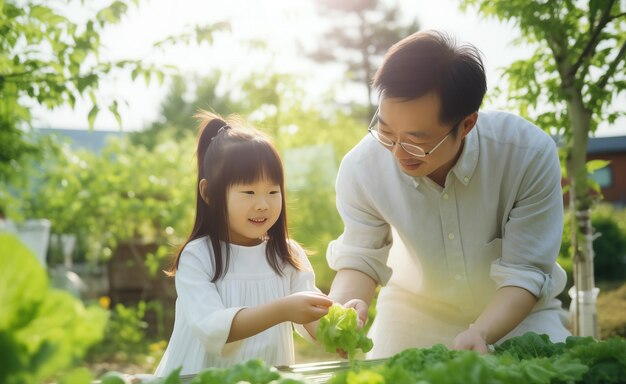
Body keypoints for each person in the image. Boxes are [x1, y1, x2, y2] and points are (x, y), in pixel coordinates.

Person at [325, 30, 571, 358]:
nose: (397, 152)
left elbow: (527, 271)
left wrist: (481, 332)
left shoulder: (527, 154)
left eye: (415, 141)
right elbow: (360, 258)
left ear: (466, 124)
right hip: (412, 315)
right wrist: (342, 312)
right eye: (385, 132)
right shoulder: (362, 166)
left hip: (521, 316)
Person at [155, 111, 333, 376]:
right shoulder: (199, 256)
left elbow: (314, 322)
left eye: (273, 192)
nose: (263, 203)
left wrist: (340, 322)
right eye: (249, 192)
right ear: (208, 193)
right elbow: (214, 328)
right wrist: (284, 309)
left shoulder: (286, 255)